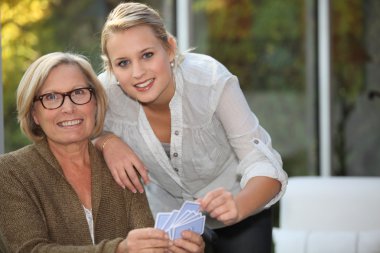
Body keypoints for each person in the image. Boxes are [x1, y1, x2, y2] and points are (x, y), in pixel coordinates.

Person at [96, 2, 288, 252]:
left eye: (147, 55)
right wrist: (106, 141)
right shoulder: (106, 93)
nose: (138, 73)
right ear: (111, 69)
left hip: (240, 210)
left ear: (170, 49)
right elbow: (74, 130)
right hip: (170, 221)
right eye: (123, 63)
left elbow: (263, 164)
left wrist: (238, 206)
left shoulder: (210, 81)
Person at [0, 52, 205, 253]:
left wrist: (173, 248)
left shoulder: (120, 166)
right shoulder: (10, 172)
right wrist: (119, 250)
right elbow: (28, 249)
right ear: (34, 113)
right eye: (51, 97)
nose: (69, 108)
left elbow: (145, 242)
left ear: (95, 101)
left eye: (79, 92)